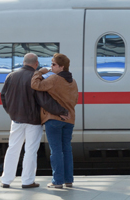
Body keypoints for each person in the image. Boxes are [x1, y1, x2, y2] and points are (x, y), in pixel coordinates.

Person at [0, 53, 68, 189]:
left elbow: (3, 96)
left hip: (16, 119)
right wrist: (61, 111)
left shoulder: (11, 76)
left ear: (24, 62)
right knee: (30, 150)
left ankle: (6, 180)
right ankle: (27, 181)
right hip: (33, 120)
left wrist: (11, 113)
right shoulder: (36, 77)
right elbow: (44, 100)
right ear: (36, 63)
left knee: (13, 148)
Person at [32, 53, 79, 189]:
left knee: (56, 150)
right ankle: (68, 180)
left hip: (54, 119)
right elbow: (74, 101)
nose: (51, 66)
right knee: (67, 149)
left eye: (53, 64)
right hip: (69, 119)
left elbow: (35, 85)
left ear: (61, 67)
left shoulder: (54, 79)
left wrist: (39, 72)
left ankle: (57, 181)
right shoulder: (73, 81)